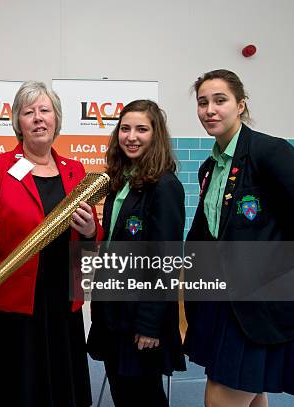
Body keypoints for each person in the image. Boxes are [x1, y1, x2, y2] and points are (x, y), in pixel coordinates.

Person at [0, 81, 100, 407]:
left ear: (56, 119)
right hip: (13, 300)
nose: (38, 118)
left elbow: (90, 237)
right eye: (29, 112)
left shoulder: (75, 170)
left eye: (44, 110)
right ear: (18, 122)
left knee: (60, 391)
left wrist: (92, 229)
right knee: (15, 391)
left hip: (62, 301)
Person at [184, 69, 294, 406]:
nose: (210, 110)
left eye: (220, 100)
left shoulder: (272, 154)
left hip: (262, 306)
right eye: (203, 103)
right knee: (252, 394)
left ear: (240, 105)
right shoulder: (209, 168)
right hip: (224, 303)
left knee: (219, 399)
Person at [86, 100, 186, 406]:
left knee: (143, 397)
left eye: (142, 129)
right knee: (122, 392)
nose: (131, 136)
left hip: (141, 318)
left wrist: (149, 325)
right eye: (125, 128)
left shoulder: (165, 186)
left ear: (156, 136)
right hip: (113, 312)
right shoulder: (120, 182)